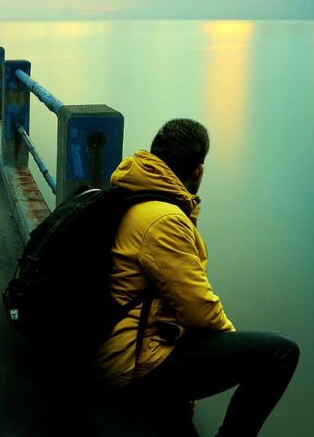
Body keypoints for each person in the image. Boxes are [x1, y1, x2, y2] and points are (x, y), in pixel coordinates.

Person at [92, 118, 299, 436]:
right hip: (131, 365)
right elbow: (200, 311)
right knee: (280, 353)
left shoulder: (129, 193)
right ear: (198, 170)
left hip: (114, 346)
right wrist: (230, 347)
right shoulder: (164, 220)